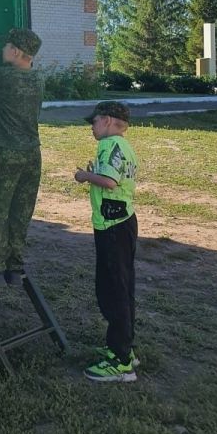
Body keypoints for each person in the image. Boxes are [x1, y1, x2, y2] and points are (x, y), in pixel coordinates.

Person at [74, 100, 139, 383]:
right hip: (122, 223)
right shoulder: (122, 146)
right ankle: (124, 345)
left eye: (95, 121)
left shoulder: (110, 145)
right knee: (122, 286)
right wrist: (96, 173)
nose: (92, 126)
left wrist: (85, 176)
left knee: (113, 290)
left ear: (110, 120)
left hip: (113, 225)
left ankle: (121, 361)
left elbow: (110, 182)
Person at [0, 28, 43, 288]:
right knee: (21, 212)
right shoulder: (39, 78)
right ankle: (15, 269)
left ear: (15, 52)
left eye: (6, 47)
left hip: (7, 153)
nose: (3, 50)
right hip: (32, 154)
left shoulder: (3, 76)